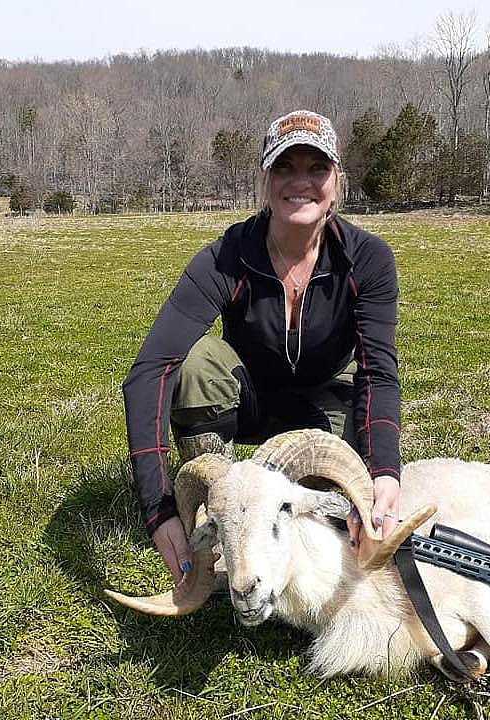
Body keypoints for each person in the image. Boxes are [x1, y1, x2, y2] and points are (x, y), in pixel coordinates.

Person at [122, 110, 401, 582]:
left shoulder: (367, 260)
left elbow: (377, 372)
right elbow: (151, 370)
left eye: (317, 168)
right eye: (285, 167)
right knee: (197, 363)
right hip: (243, 399)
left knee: (332, 492)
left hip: (319, 413)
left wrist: (386, 473)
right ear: (266, 180)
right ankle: (222, 509)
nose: (301, 182)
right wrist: (158, 507)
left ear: (337, 181)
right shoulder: (228, 256)